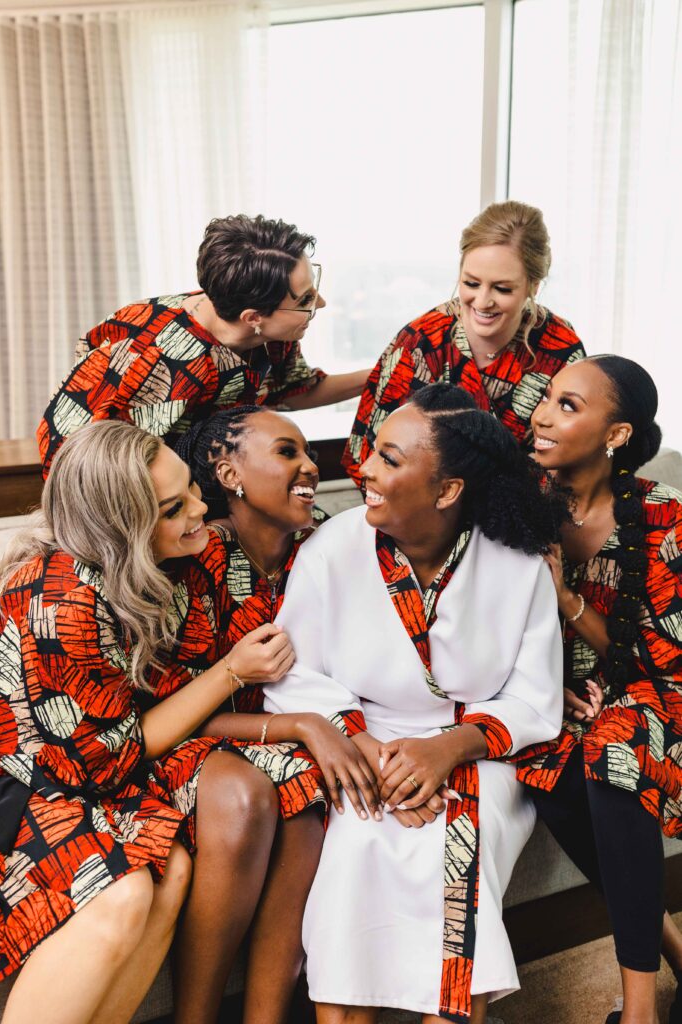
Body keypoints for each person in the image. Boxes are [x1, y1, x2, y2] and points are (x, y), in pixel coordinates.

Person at [0, 420, 376, 1024]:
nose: (203, 508)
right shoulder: (63, 598)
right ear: (123, 529)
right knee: (130, 889)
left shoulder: (167, 566)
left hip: (96, 764)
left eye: (190, 490)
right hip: (35, 784)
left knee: (175, 869)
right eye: (176, 507)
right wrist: (236, 676)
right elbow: (109, 758)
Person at [263, 383, 566, 1024]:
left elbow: (535, 698)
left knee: (459, 856)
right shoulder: (331, 551)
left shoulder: (518, 564)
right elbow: (294, 676)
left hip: (477, 749)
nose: (364, 469)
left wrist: (444, 751)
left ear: (448, 490)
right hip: (358, 743)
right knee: (356, 847)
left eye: (390, 459)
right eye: (373, 451)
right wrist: (373, 755)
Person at [163, 405, 379, 1024]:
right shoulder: (191, 559)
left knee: (315, 788)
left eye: (309, 452)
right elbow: (162, 712)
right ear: (228, 473)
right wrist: (303, 726)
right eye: (288, 452)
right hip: (189, 740)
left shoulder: (326, 546)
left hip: (298, 743)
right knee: (258, 790)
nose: (311, 466)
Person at [517, 355, 682, 1024]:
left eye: (568, 405)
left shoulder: (663, 517)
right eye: (548, 398)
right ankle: (668, 940)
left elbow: (659, 656)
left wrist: (562, 596)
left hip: (656, 688)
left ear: (614, 435)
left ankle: (636, 1012)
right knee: (539, 760)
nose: (542, 414)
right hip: (564, 693)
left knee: (611, 748)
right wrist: (544, 692)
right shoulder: (516, 505)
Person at [38, 214, 370, 475]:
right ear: (253, 316)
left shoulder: (273, 332)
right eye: (306, 299)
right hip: (123, 489)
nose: (321, 304)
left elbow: (294, 390)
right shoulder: (155, 356)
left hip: (198, 477)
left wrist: (381, 372)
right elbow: (104, 464)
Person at [343, 200, 586, 484]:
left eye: (502, 288)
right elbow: (369, 458)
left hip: (534, 515)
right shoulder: (421, 343)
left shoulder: (560, 345)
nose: (482, 301)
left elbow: (578, 454)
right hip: (423, 516)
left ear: (533, 286)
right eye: (471, 284)